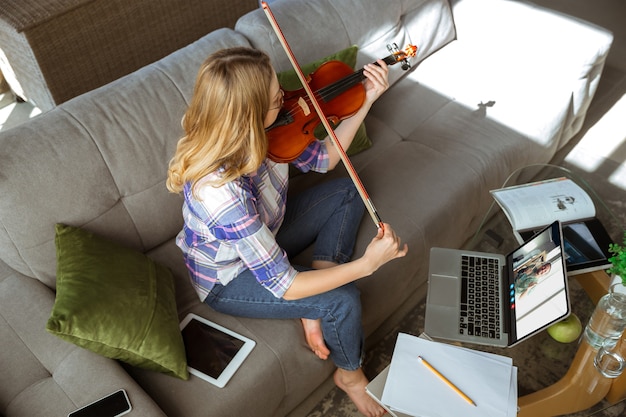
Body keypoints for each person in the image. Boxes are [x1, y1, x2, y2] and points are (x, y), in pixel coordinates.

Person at [166, 47, 407, 417]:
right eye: (278, 98)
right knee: (342, 299)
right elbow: (284, 285)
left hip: (269, 231)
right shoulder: (220, 195)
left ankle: (317, 293)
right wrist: (367, 264)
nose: (290, 100)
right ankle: (350, 376)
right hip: (229, 278)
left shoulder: (269, 132)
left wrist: (366, 100)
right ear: (249, 115)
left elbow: (324, 159)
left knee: (347, 192)